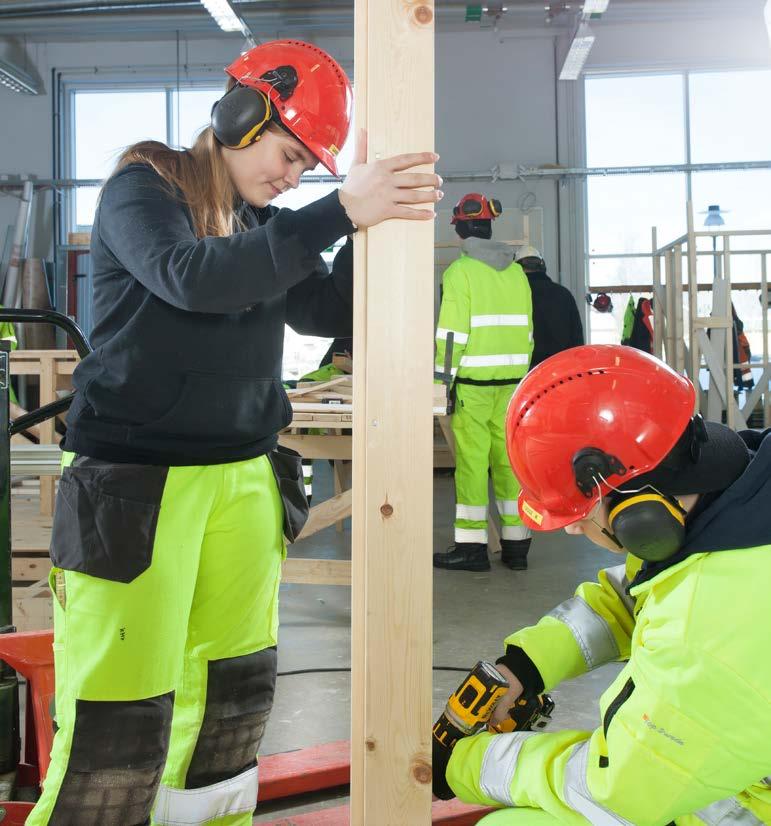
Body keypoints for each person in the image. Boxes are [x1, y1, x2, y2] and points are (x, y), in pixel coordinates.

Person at [30, 40, 441, 826]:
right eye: (289, 155)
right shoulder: (140, 191)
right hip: (135, 485)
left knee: (231, 702)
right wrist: (338, 210)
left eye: (307, 168)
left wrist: (373, 229)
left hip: (245, 474)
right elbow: (193, 278)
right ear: (242, 113)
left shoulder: (266, 227)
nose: (292, 177)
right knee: (121, 718)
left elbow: (326, 312)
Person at [440, 344, 771, 825]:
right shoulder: (735, 515)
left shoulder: (706, 629)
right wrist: (526, 667)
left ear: (637, 508)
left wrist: (471, 764)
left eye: (579, 512)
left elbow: (617, 790)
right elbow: (638, 595)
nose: (573, 529)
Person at [433, 194, 534, 573]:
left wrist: (441, 382)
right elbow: (527, 334)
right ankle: (516, 546)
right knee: (508, 463)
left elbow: (451, 335)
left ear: (460, 228)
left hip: (474, 385)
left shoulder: (460, 273)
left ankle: (472, 547)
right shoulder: (517, 272)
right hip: (513, 385)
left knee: (473, 466)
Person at [514, 245, 583, 367]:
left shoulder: (514, 295)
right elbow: (577, 340)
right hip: (561, 371)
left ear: (516, 268)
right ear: (542, 266)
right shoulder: (564, 294)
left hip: (526, 373)